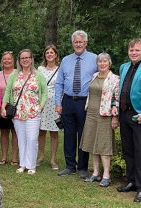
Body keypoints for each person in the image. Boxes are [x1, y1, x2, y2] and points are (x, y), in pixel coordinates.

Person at [55, 30, 97, 178]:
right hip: (67, 101)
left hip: (85, 102)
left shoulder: (95, 59)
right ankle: (70, 166)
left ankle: (83, 168)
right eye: (75, 42)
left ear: (85, 43)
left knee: (83, 135)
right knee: (69, 134)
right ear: (72, 43)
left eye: (81, 42)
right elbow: (59, 83)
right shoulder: (66, 60)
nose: (78, 44)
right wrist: (57, 102)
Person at [1, 49, 47, 175]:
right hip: (18, 113)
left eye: (27, 57)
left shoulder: (38, 75)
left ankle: (31, 165)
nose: (25, 60)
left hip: (33, 112)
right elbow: (8, 92)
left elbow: (44, 93)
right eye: (23, 58)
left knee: (32, 139)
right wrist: (3, 106)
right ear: (19, 61)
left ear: (31, 59)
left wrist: (40, 107)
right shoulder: (15, 75)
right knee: (21, 139)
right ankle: (23, 164)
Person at [80, 53, 119, 187]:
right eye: (100, 61)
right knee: (92, 143)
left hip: (105, 115)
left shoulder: (114, 79)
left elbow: (117, 99)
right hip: (91, 113)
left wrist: (115, 116)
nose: (102, 64)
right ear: (97, 64)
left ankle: (106, 175)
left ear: (110, 63)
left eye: (105, 61)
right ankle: (95, 173)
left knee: (103, 145)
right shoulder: (94, 76)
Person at [117, 38, 141, 202]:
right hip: (125, 114)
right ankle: (132, 181)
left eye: (137, 50)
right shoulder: (124, 67)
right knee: (128, 150)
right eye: (131, 50)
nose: (133, 53)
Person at [37, 44, 60, 170]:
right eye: (47, 53)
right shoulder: (40, 69)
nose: (49, 55)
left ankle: (53, 159)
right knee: (41, 131)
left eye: (52, 52)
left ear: (55, 55)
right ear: (45, 55)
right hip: (42, 103)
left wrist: (60, 104)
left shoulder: (60, 69)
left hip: (55, 103)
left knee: (54, 131)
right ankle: (40, 156)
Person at [0, 51, 19, 166]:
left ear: (13, 60)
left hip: (17, 106)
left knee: (16, 132)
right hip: (3, 107)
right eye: (4, 59)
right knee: (4, 132)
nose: (7, 61)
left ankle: (15, 157)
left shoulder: (18, 73)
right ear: (2, 61)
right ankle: (4, 157)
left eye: (9, 59)